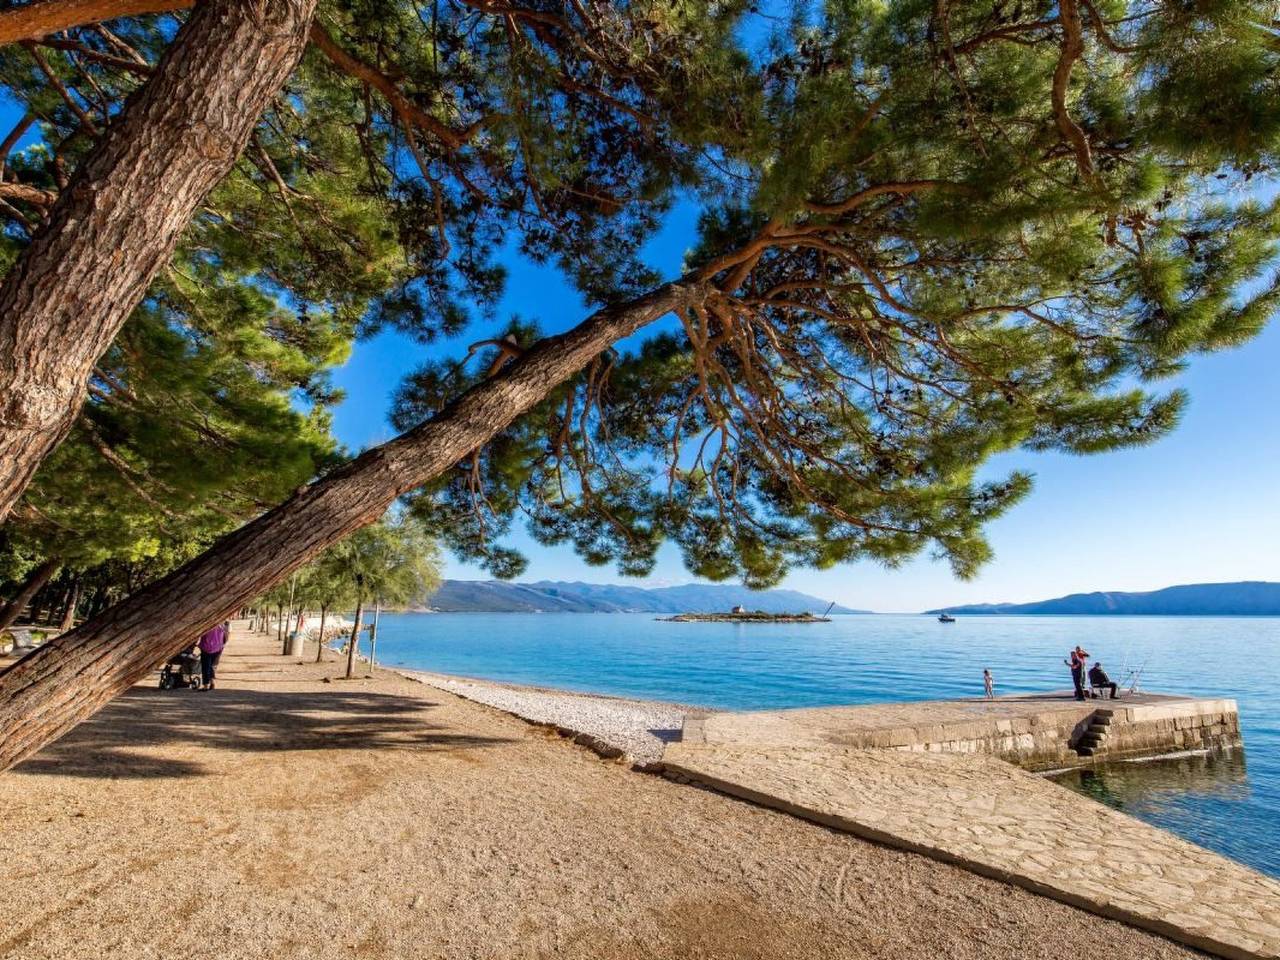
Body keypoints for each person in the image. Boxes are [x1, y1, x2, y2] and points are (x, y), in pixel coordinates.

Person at [197, 620, 229, 691]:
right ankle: (212, 683)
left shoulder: (207, 624)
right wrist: (222, 645)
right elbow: (226, 637)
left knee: (206, 667)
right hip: (218, 648)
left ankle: (205, 686)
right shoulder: (221, 625)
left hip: (206, 648)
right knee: (211, 666)